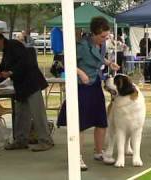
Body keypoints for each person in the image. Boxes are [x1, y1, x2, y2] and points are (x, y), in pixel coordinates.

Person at [57, 16, 119, 171]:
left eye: (106, 36)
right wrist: (80, 73)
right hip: (81, 87)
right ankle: (76, 157)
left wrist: (109, 63)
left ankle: (99, 152)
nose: (105, 39)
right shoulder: (82, 46)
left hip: (95, 84)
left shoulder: (102, 44)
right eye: (102, 37)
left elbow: (99, 58)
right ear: (94, 34)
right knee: (80, 124)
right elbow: (66, 63)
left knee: (101, 121)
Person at [0, 30, 54, 152]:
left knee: (38, 114)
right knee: (21, 114)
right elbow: (0, 73)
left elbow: (26, 62)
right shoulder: (6, 52)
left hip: (31, 83)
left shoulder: (14, 45)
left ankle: (46, 141)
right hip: (21, 86)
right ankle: (20, 140)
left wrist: (11, 72)